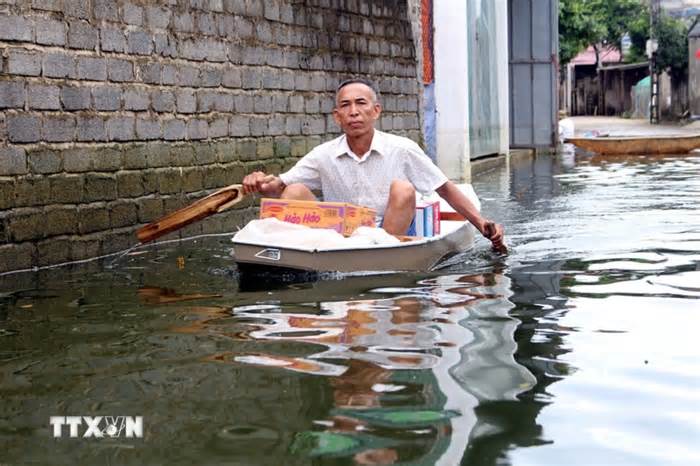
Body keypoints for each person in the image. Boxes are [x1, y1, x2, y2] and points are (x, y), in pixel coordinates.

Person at [242, 78, 506, 253]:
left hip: (393, 235)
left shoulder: (402, 149)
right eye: (345, 106)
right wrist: (259, 182)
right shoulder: (323, 154)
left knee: (403, 188)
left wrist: (481, 224)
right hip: (340, 236)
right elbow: (278, 188)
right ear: (337, 117)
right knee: (294, 191)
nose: (354, 112)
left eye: (361, 103)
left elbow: (444, 189)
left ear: (376, 111)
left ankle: (384, 256)